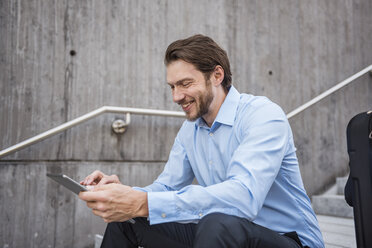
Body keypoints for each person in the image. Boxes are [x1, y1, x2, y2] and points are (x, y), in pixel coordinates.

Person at [79, 34, 325, 248]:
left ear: (216, 75)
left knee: (216, 223)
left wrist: (142, 202)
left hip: (289, 240)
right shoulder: (190, 130)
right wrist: (124, 194)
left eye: (185, 83)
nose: (176, 96)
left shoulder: (263, 115)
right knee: (128, 222)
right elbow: (166, 188)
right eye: (172, 87)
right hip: (222, 235)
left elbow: (243, 198)